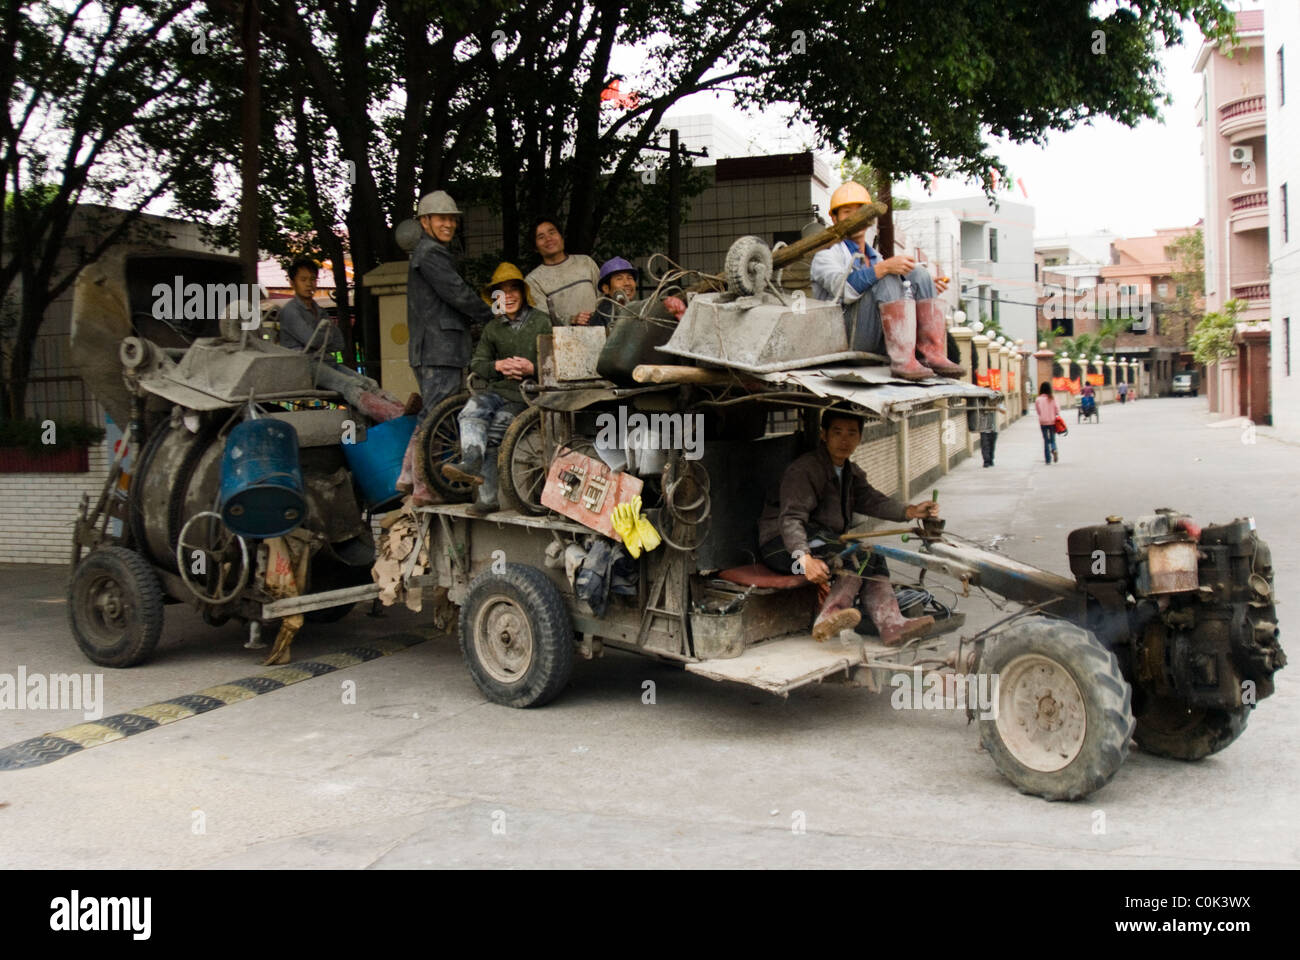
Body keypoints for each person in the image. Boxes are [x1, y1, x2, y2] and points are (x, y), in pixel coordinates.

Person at [756, 408, 941, 646]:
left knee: (874, 556)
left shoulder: (850, 473)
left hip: (818, 540)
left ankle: (892, 623)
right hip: (781, 546)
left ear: (860, 438)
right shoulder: (805, 470)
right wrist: (804, 559)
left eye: (852, 433)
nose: (845, 440)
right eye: (837, 432)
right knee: (857, 554)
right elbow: (790, 519)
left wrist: (910, 511)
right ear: (824, 435)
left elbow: (874, 501)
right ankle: (830, 616)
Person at [810, 182, 963, 381]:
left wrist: (922, 288)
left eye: (861, 213)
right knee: (888, 274)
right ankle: (903, 361)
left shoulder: (877, 259)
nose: (855, 219)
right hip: (847, 340)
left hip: (882, 339)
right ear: (834, 218)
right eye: (848, 212)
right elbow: (845, 290)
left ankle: (932, 353)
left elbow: (893, 298)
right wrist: (884, 269)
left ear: (869, 219)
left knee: (918, 274)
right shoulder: (826, 258)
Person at [397, 190, 494, 505]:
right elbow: (457, 292)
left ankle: (409, 474)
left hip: (432, 349)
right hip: (440, 349)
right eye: (442, 218)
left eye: (452, 218)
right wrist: (488, 313)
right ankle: (424, 486)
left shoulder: (424, 253)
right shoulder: (432, 254)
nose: (449, 224)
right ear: (425, 221)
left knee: (431, 413)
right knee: (438, 416)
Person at [441, 263, 552, 515]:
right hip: (497, 391)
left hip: (528, 395)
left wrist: (531, 368)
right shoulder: (493, 327)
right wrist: (499, 365)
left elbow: (556, 363)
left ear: (523, 293)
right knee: (471, 409)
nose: (508, 296)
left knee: (496, 430)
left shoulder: (542, 322)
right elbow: (477, 364)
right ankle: (471, 462)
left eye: (514, 289)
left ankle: (488, 498)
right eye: (501, 292)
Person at [524, 218, 600, 326]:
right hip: (563, 340)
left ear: (561, 237)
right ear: (535, 247)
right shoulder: (533, 281)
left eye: (552, 232)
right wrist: (571, 320)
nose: (548, 239)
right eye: (541, 237)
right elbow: (543, 320)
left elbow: (604, 297)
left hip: (601, 332)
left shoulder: (585, 262)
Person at [278, 258, 345, 361]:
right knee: (348, 378)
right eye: (303, 280)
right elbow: (313, 341)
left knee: (361, 378)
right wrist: (324, 340)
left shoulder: (320, 310)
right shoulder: (290, 311)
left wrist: (317, 344)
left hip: (325, 362)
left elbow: (339, 343)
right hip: (302, 367)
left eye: (313, 279)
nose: (309, 284)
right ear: (292, 283)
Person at [974, 401, 1007, 467]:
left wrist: (996, 408)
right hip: (983, 428)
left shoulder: (997, 402)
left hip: (994, 428)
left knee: (992, 445)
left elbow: (1004, 411)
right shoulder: (980, 402)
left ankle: (991, 459)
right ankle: (986, 461)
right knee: (985, 445)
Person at [1036, 381, 1062, 465]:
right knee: (1052, 439)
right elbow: (1057, 409)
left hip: (1043, 422)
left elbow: (1038, 411)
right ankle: (1054, 449)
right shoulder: (1053, 398)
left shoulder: (1038, 399)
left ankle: (1047, 459)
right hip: (1052, 421)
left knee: (1046, 440)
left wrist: (1042, 416)